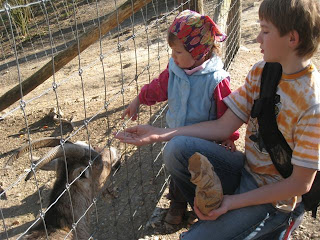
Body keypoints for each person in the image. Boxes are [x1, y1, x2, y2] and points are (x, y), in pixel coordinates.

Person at [116, 0, 320, 238]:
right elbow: (224, 126)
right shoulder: (262, 71)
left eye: (265, 31)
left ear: (292, 39)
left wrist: (232, 202)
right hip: (247, 172)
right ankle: (214, 215)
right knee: (176, 148)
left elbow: (299, 185)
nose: (258, 39)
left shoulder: (312, 105)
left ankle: (269, 227)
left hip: (277, 200)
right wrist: (160, 133)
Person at [121, 10, 239, 225]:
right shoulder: (175, 69)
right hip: (174, 136)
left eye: (178, 52)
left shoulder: (216, 79)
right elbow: (158, 88)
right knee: (177, 172)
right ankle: (177, 203)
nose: (173, 56)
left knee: (202, 174)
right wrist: (139, 99)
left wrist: (230, 136)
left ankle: (203, 205)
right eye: (172, 51)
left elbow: (226, 110)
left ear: (200, 52)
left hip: (205, 141)